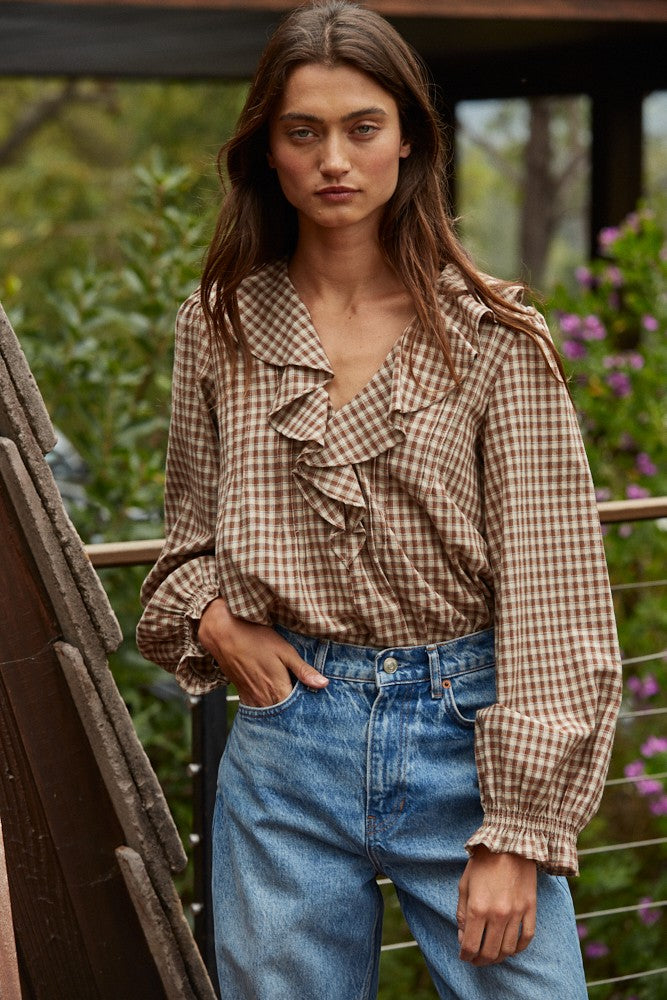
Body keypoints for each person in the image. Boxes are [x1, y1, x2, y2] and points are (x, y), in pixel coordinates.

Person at [136, 2, 622, 997]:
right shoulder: (218, 326)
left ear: (407, 138)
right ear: (265, 149)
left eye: (362, 127)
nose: (333, 160)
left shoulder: (492, 336)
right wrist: (212, 617)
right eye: (302, 131)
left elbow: (555, 599)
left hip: (468, 743)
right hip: (285, 745)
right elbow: (187, 547)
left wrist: (517, 830)